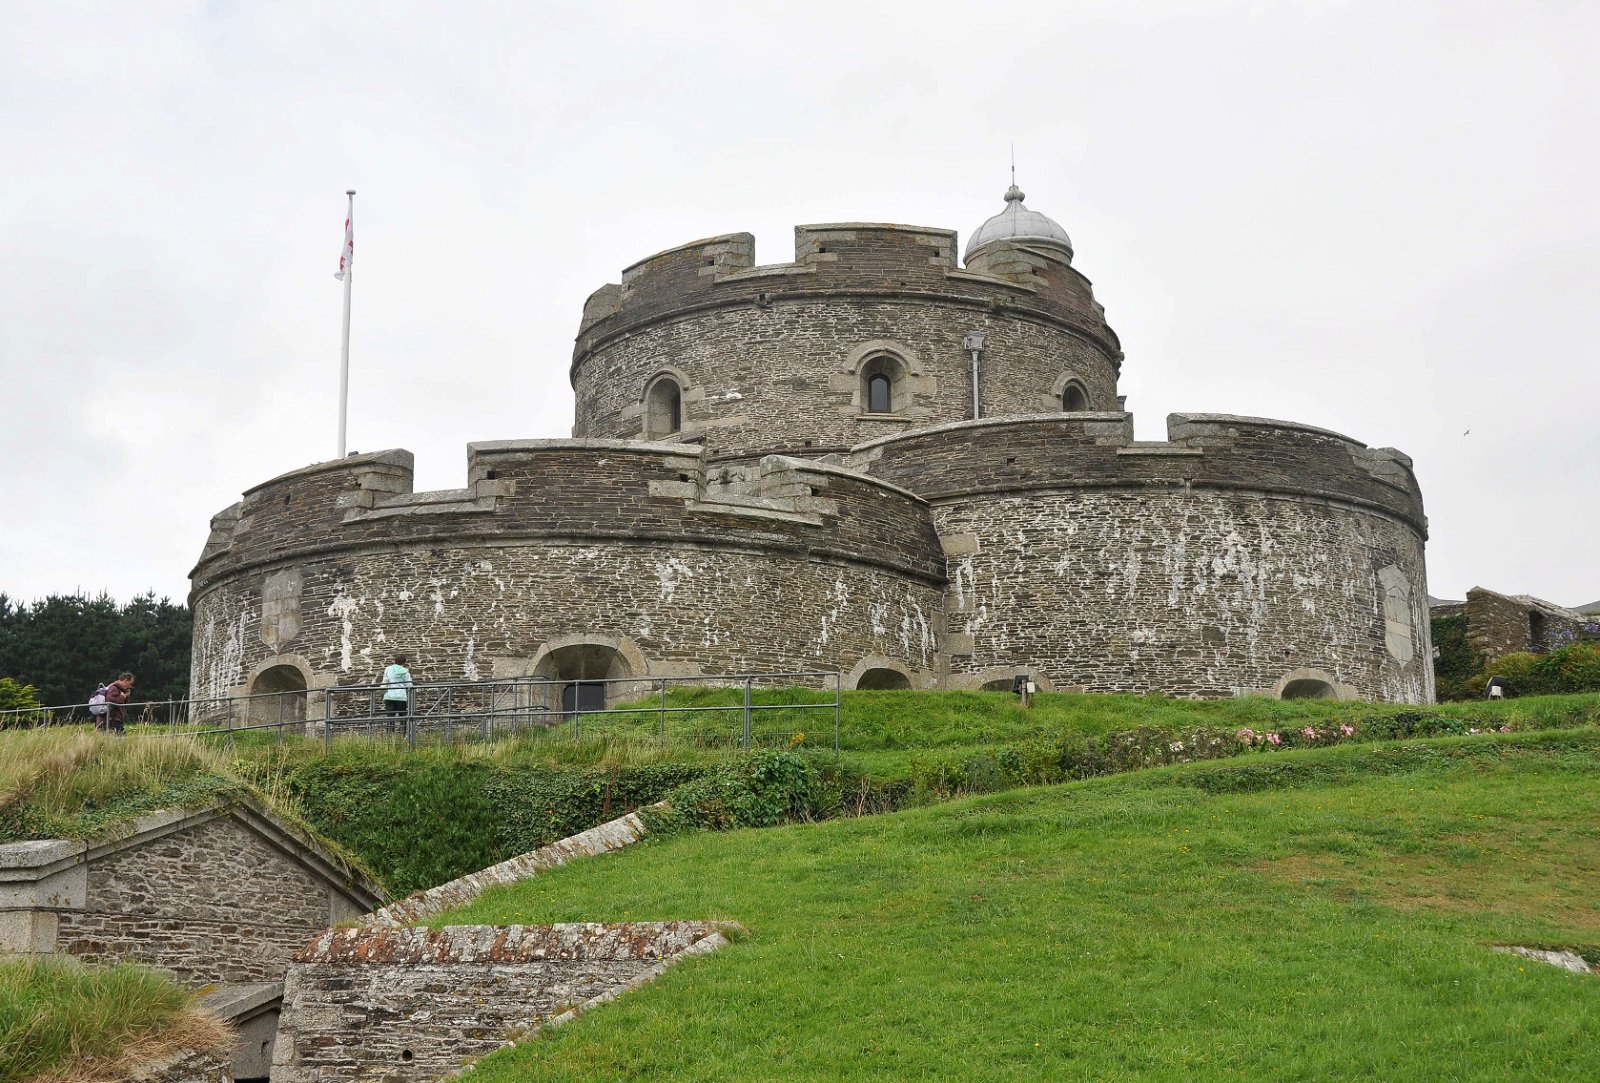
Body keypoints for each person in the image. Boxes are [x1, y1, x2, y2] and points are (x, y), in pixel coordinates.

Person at [382, 655, 414, 730]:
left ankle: (390, 735)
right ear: (404, 662)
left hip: (389, 695)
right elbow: (409, 684)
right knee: (402, 716)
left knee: (390, 716)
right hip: (401, 696)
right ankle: (404, 734)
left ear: (395, 661)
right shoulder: (405, 671)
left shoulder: (388, 669)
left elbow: (385, 681)